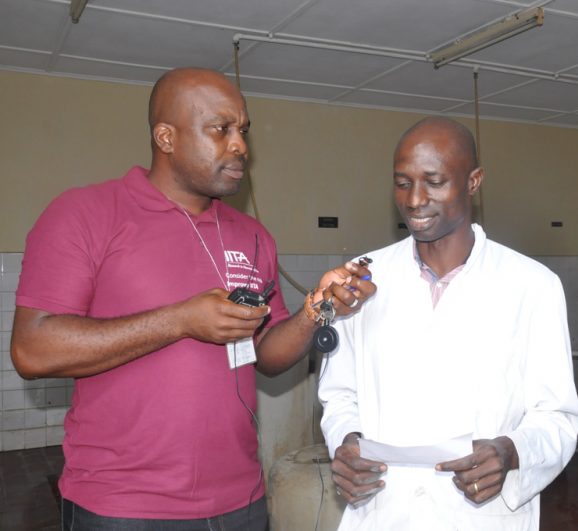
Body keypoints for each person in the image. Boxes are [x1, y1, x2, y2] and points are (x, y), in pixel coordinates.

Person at [10, 67, 375, 530]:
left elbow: (266, 355)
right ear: (166, 137)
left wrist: (315, 310)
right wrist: (180, 320)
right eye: (220, 130)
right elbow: (32, 349)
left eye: (242, 130)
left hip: (241, 500)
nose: (240, 145)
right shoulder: (86, 214)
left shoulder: (253, 235)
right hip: (122, 505)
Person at [318, 117, 578, 530]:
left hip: (479, 516)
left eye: (434, 181)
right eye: (402, 183)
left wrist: (510, 453)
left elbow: (558, 418)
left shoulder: (532, 286)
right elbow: (339, 396)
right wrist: (347, 444)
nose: (415, 199)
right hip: (385, 510)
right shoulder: (363, 280)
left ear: (474, 181)